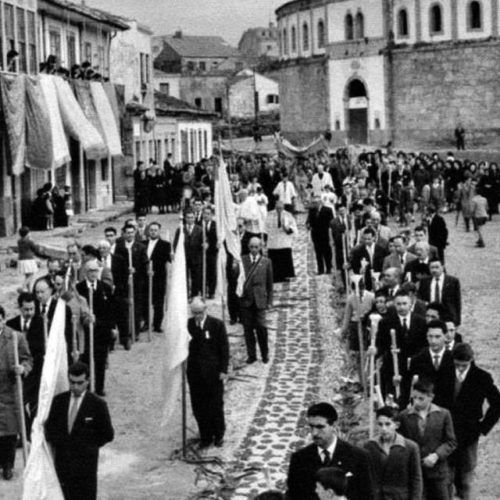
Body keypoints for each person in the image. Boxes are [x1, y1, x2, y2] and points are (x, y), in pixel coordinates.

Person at [45, 362, 114, 500]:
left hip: (85, 466)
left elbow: (108, 434)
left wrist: (89, 446)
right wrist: (61, 443)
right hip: (63, 463)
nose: (75, 387)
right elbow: (50, 428)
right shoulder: (59, 402)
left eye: (80, 383)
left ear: (87, 381)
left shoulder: (97, 405)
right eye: (72, 382)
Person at [287, 402, 373, 500]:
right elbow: (293, 496)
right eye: (311, 427)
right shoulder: (299, 459)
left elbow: (367, 496)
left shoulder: (358, 457)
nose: (314, 433)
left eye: (320, 427)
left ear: (334, 425)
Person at [448, 343, 500, 500]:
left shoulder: (482, 377)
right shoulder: (445, 373)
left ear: (471, 360)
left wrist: (483, 427)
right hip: (446, 431)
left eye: (464, 365)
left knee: (466, 478)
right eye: (457, 365)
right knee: (446, 478)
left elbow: (497, 404)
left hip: (469, 434)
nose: (461, 369)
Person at [399, 379, 457, 500]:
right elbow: (401, 442)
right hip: (415, 472)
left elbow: (451, 442)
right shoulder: (404, 416)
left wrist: (436, 455)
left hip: (438, 472)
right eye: (414, 398)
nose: (416, 402)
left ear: (431, 397)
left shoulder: (443, 414)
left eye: (421, 398)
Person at [187, 297, 229, 449]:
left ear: (205, 310)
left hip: (213, 374)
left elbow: (224, 349)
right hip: (195, 374)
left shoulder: (217, 325)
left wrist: (224, 370)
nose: (197, 316)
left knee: (215, 406)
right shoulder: (189, 325)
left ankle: (219, 435)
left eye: (199, 312)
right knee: (199, 407)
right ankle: (205, 436)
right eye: (194, 313)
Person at [376, 289, 427, 399]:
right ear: (394, 305)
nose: (402, 307)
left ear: (410, 304)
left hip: (413, 367)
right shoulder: (385, 323)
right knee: (393, 399)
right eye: (398, 304)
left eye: (404, 304)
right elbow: (381, 344)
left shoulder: (421, 322)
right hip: (393, 367)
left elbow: (424, 345)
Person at [0, 305, 32, 480]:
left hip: (9, 391)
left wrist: (23, 368)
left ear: (3, 320)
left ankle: (8, 465)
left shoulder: (15, 337)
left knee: (10, 433)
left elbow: (28, 359)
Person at [364, 406, 423, 500]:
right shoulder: (370, 446)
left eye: (388, 424)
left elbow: (416, 479)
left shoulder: (410, 447)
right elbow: (364, 477)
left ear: (396, 425)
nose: (383, 429)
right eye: (380, 424)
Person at [6, 292, 44, 434]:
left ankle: (34, 434)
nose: (29, 312)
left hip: (36, 372)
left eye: (32, 309)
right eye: (26, 309)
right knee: (19, 403)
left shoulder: (42, 324)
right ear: (20, 308)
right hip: (17, 373)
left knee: (36, 405)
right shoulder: (11, 325)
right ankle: (26, 433)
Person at [76, 261, 115, 396]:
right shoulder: (78, 289)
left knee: (100, 360)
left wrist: (112, 328)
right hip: (85, 331)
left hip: (101, 331)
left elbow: (111, 310)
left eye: (95, 271)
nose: (93, 274)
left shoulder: (105, 288)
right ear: (86, 272)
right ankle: (85, 387)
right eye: (90, 271)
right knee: (85, 360)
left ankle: (99, 387)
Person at [113, 223, 148, 347]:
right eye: (127, 232)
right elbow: (116, 263)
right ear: (123, 234)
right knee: (124, 307)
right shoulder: (119, 246)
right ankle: (125, 332)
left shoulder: (141, 247)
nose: (129, 235)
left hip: (137, 281)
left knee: (136, 306)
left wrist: (136, 270)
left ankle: (135, 331)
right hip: (123, 282)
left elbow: (145, 263)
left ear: (134, 233)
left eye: (131, 232)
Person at [240, 237, 273, 364]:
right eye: (251, 247)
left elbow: (269, 283)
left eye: (256, 247)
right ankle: (251, 355)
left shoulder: (266, 262)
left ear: (260, 247)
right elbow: (237, 280)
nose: (254, 249)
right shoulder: (242, 260)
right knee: (248, 330)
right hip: (246, 300)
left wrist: (269, 301)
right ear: (248, 247)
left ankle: (265, 354)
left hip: (260, 301)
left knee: (261, 329)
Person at [418, 258, 461, 327]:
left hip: (447, 315)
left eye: (437, 267)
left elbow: (457, 302)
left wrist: (457, 320)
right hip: (431, 314)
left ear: (442, 267)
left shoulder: (452, 281)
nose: (434, 270)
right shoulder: (424, 281)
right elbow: (420, 297)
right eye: (432, 267)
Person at [146, 222, 171, 331]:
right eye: (151, 230)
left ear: (159, 231)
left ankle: (157, 324)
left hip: (159, 278)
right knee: (145, 302)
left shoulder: (165, 245)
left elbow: (168, 259)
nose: (153, 232)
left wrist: (172, 255)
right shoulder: (143, 243)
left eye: (155, 230)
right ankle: (146, 322)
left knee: (158, 303)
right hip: (146, 277)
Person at [265, 200, 298, 283]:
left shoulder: (288, 215)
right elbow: (265, 226)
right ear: (275, 207)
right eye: (277, 208)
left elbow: (293, 227)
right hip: (273, 240)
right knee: (274, 259)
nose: (279, 209)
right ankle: (275, 276)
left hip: (284, 239)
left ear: (283, 207)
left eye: (280, 208)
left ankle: (285, 275)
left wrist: (287, 229)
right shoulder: (269, 214)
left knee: (284, 258)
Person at [174, 211, 203, 298]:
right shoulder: (180, 229)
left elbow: (204, 241)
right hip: (184, 257)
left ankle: (194, 294)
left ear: (194, 218)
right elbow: (176, 243)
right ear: (185, 218)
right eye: (188, 217)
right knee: (184, 276)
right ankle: (185, 294)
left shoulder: (199, 229)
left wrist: (205, 245)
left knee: (196, 277)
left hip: (196, 257)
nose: (190, 219)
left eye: (191, 217)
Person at [350, 227, 388, 291]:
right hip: (366, 278)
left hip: (378, 277)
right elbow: (354, 265)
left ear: (374, 238)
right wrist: (359, 270)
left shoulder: (381, 250)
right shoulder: (358, 251)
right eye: (365, 239)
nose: (366, 241)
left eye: (369, 239)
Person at [306, 195, 334, 275]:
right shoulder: (312, 210)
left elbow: (331, 222)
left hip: (325, 234)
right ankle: (320, 269)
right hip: (315, 234)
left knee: (327, 252)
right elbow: (309, 221)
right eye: (313, 203)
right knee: (318, 253)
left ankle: (328, 268)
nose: (314, 204)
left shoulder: (328, 210)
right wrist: (308, 225)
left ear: (320, 202)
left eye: (316, 202)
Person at [17, 226, 40, 292]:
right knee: (31, 275)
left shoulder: (19, 241)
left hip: (21, 259)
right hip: (29, 259)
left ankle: (29, 291)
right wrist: (37, 245)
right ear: (27, 233)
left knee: (27, 275)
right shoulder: (29, 241)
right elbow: (35, 249)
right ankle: (22, 286)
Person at [202, 207, 218, 298]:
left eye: (208, 214)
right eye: (204, 213)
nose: (206, 215)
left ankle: (211, 292)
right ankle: (203, 290)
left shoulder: (215, 225)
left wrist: (210, 245)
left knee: (212, 272)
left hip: (212, 252)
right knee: (203, 271)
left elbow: (216, 239)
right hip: (202, 252)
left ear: (212, 215)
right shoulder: (199, 224)